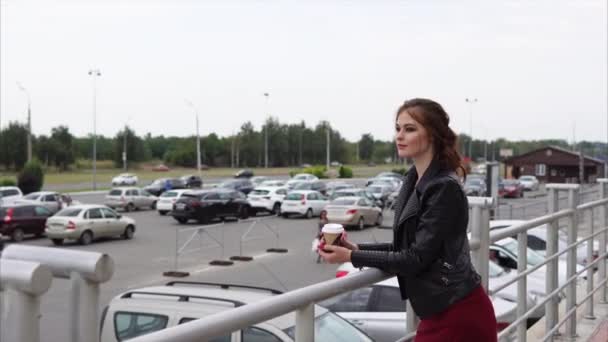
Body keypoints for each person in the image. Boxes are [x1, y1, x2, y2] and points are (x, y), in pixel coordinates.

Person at [319, 98, 497, 341]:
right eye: (398, 128)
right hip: (439, 312)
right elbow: (408, 248)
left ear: (433, 135)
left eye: (410, 129)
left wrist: (352, 257)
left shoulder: (444, 188)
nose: (399, 136)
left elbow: (415, 258)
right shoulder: (413, 180)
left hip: (458, 314)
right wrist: (356, 248)